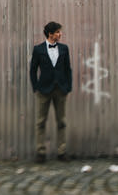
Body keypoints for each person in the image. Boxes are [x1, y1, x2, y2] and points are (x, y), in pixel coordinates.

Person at [29, 21, 72, 162]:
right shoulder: (38, 49)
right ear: (50, 34)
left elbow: (68, 69)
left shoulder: (64, 49)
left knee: (62, 122)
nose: (60, 34)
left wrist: (68, 87)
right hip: (44, 90)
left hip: (60, 90)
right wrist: (36, 87)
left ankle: (62, 151)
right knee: (41, 122)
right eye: (58, 32)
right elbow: (33, 70)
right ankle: (40, 152)